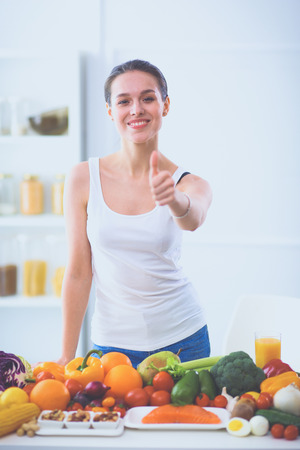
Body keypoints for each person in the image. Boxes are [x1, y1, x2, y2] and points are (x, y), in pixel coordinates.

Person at [57, 59, 213, 369]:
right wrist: (66, 353)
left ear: (164, 105)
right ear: (110, 111)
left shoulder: (189, 183)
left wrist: (174, 200)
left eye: (148, 98)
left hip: (183, 341)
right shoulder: (81, 178)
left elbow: (193, 218)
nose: (136, 109)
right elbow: (77, 271)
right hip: (110, 348)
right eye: (124, 101)